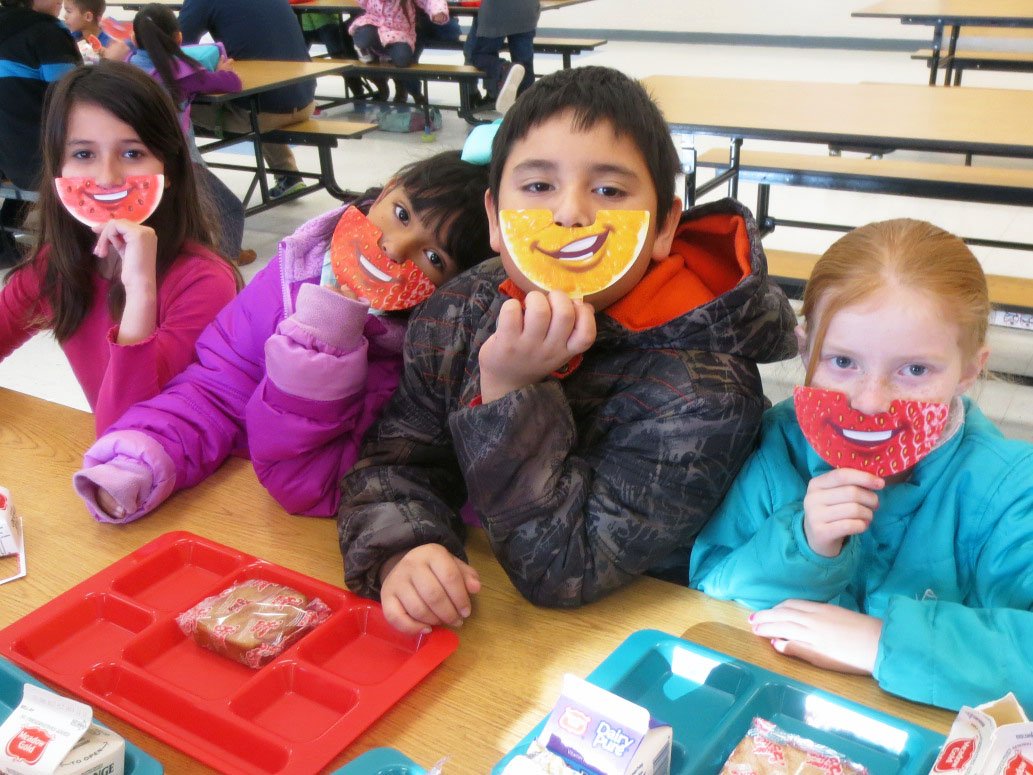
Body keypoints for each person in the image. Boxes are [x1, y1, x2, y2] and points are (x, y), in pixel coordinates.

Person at [337, 65, 798, 636]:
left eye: (609, 191)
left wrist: (511, 392)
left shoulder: (706, 392)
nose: (569, 213)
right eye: (537, 187)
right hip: (490, 619)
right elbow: (395, 464)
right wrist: (404, 548)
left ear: (663, 227)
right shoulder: (462, 308)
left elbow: (564, 568)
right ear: (495, 220)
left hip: (631, 634)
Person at [689, 219, 1033, 712]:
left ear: (969, 371)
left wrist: (880, 642)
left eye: (915, 370)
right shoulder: (779, 445)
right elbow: (709, 588)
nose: (871, 402)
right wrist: (805, 544)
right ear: (805, 349)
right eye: (843, 362)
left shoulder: (1014, 487)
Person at [72, 150, 492, 523]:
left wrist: (325, 348)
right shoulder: (295, 270)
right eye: (401, 214)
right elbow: (217, 387)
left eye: (433, 257)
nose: (396, 248)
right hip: (230, 500)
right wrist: (143, 456)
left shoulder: (415, 359)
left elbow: (318, 484)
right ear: (386, 191)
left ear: (453, 287)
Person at [0, 61, 239, 434]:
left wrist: (141, 291)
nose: (107, 177)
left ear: (169, 170)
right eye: (83, 154)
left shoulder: (204, 282)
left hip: (192, 463)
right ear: (58, 170)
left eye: (132, 154)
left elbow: (131, 431)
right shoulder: (55, 266)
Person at [127, 3, 252, 265]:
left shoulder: (127, 69)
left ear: (134, 40)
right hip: (178, 159)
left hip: (134, 160)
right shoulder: (182, 72)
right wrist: (224, 70)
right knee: (230, 209)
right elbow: (232, 83)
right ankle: (228, 261)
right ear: (178, 38)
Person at [177, 0, 316, 199]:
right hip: (305, 99)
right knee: (260, 92)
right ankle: (288, 174)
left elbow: (175, 47)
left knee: (167, 106)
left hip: (261, 112)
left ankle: (190, 191)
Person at [0, 0, 80, 268]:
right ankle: (76, 248)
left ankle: (7, 241)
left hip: (8, 160)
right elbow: (74, 98)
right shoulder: (47, 34)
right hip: (37, 164)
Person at [468, 0, 538, 108]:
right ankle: (527, 107)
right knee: (524, 63)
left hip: (496, 11)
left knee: (477, 56)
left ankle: (505, 69)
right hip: (528, 10)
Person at [61, 0, 128, 61]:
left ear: (88, 17)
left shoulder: (110, 45)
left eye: (68, 11)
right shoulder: (71, 38)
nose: (65, 16)